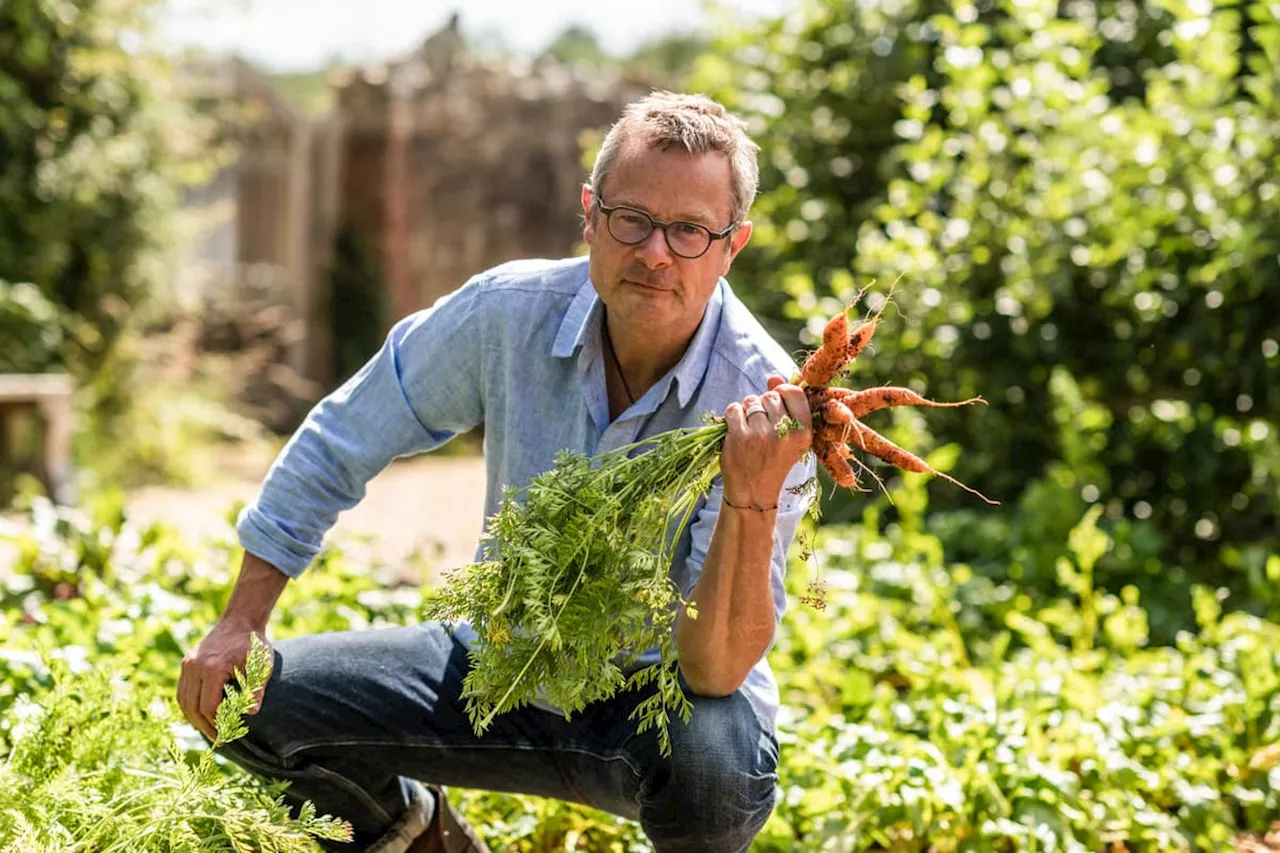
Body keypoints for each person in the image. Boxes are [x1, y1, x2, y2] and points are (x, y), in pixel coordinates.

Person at [177, 90, 816, 853]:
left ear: (731, 244)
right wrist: (241, 619)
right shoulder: (508, 313)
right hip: (497, 667)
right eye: (632, 219)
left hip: (655, 706)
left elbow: (714, 669)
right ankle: (427, 840)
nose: (654, 252)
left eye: (688, 231)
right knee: (243, 701)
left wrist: (750, 492)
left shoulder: (768, 403)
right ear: (590, 212)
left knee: (717, 772)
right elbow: (344, 433)